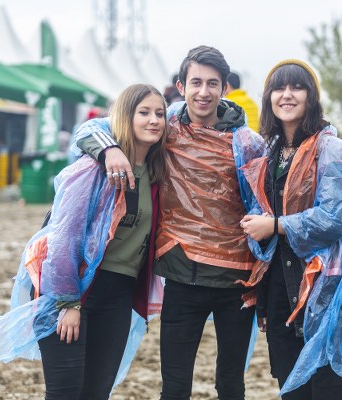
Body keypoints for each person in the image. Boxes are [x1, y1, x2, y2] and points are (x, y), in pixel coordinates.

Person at [72, 45, 266, 400]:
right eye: (196, 82)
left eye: (212, 83)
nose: (203, 92)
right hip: (183, 277)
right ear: (181, 85)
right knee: (175, 387)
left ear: (225, 88)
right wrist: (109, 149)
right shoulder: (167, 126)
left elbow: (265, 205)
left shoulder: (247, 143)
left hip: (236, 280)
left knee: (231, 385)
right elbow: (91, 129)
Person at [0, 84, 168, 399]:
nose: (153, 120)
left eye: (160, 113)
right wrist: (68, 303)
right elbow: (63, 240)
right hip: (71, 291)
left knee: (97, 393)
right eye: (144, 112)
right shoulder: (93, 169)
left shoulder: (155, 173)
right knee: (66, 393)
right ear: (125, 117)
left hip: (118, 295)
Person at [239, 59, 342, 399]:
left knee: (327, 387)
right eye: (279, 88)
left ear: (312, 96)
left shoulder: (331, 149)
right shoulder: (270, 152)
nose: (287, 95)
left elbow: (337, 217)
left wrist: (276, 225)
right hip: (280, 286)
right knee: (290, 387)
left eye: (297, 87)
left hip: (325, 284)